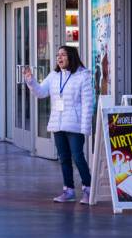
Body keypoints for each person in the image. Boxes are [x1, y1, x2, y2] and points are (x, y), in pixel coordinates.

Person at [24, 45, 94, 204]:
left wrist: (85, 128)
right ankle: (68, 190)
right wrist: (31, 81)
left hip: (75, 124)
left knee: (77, 156)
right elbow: (41, 93)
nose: (59, 58)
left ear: (71, 56)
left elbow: (87, 104)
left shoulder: (83, 75)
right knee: (63, 158)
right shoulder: (54, 75)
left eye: (63, 55)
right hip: (58, 123)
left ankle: (88, 189)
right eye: (57, 55)